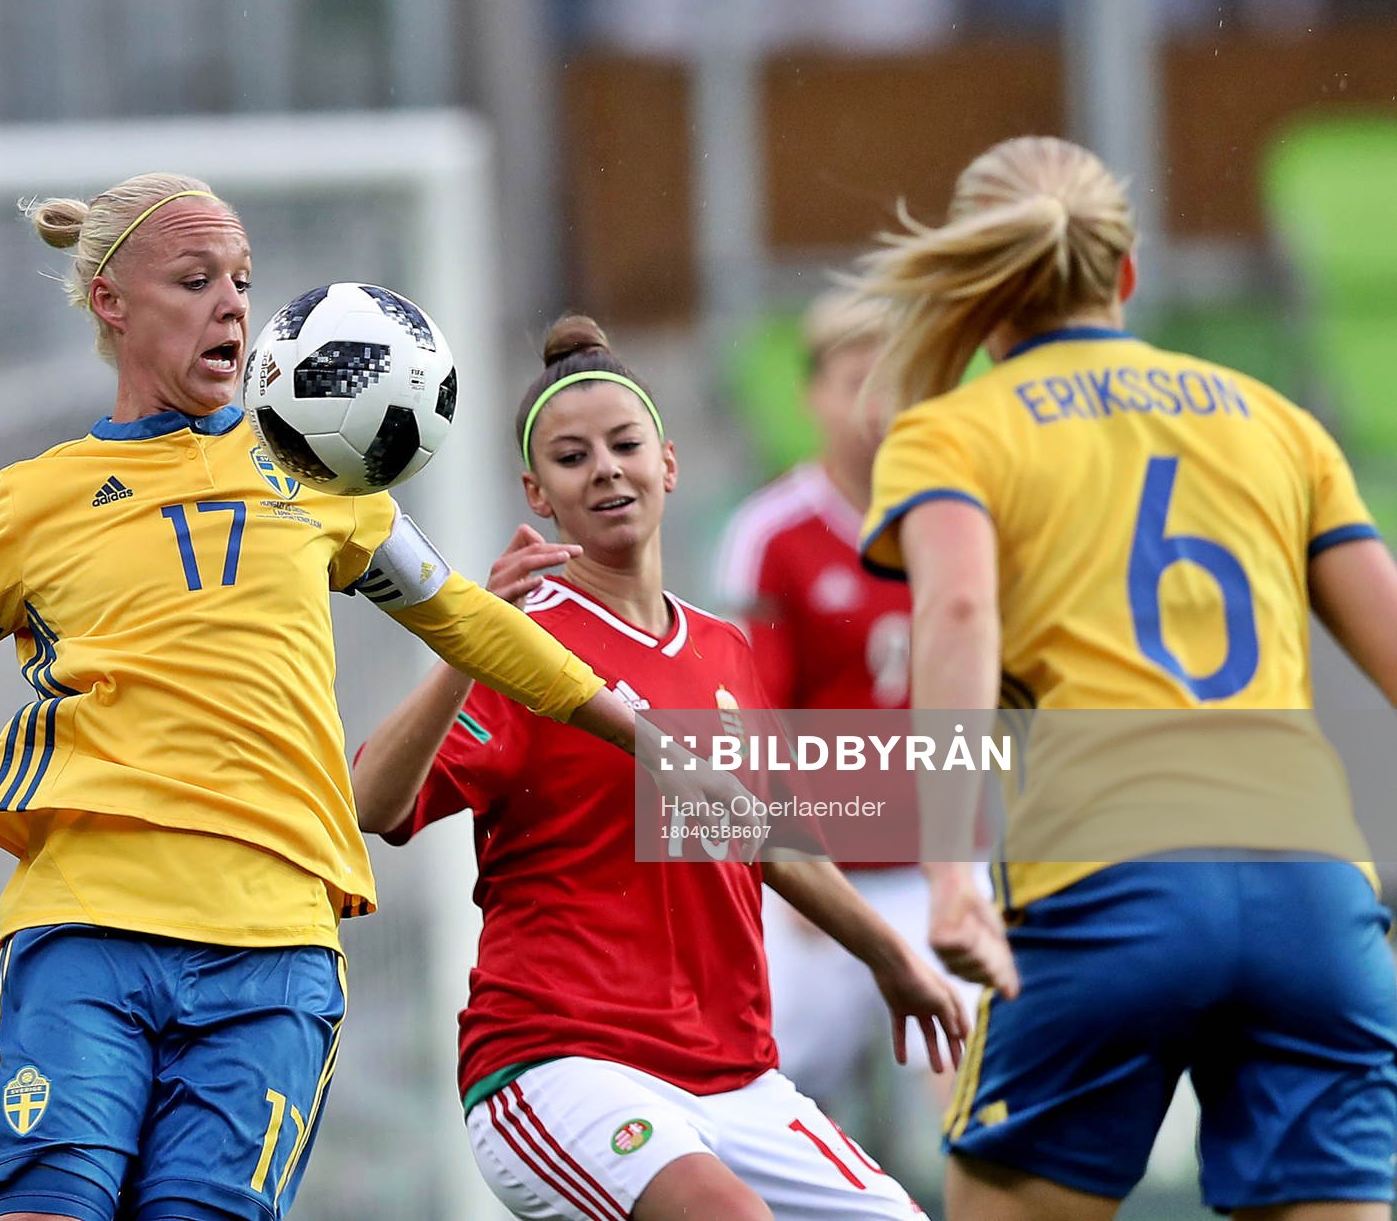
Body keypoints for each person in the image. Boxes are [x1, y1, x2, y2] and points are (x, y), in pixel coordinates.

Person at [0, 175, 705, 1221]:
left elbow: (465, 617)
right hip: (90, 929)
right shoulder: (32, 498)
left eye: (243, 279)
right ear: (109, 300)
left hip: (275, 950)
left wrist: (640, 732)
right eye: (197, 279)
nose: (233, 304)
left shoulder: (322, 475)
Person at [854, 135, 1397, 1221]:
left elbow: (959, 608)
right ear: (1128, 273)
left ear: (980, 284)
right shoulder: (1282, 423)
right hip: (1315, 892)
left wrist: (951, 866)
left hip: (1108, 886)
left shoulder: (952, 434)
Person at [352, 315, 982, 1221]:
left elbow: (763, 835)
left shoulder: (722, 650)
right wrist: (470, 643)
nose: (604, 468)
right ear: (537, 492)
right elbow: (377, 804)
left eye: (623, 445)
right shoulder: (526, 646)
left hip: (734, 1079)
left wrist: (893, 958)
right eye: (572, 458)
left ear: (668, 463)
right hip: (561, 1063)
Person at [716, 290, 983, 1125]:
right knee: (758, 1098)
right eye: (857, 381)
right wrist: (789, 866)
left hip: (940, 871)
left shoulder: (960, 523)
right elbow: (749, 717)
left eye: (897, 383)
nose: (878, 407)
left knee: (982, 1095)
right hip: (818, 883)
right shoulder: (773, 533)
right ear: (812, 395)